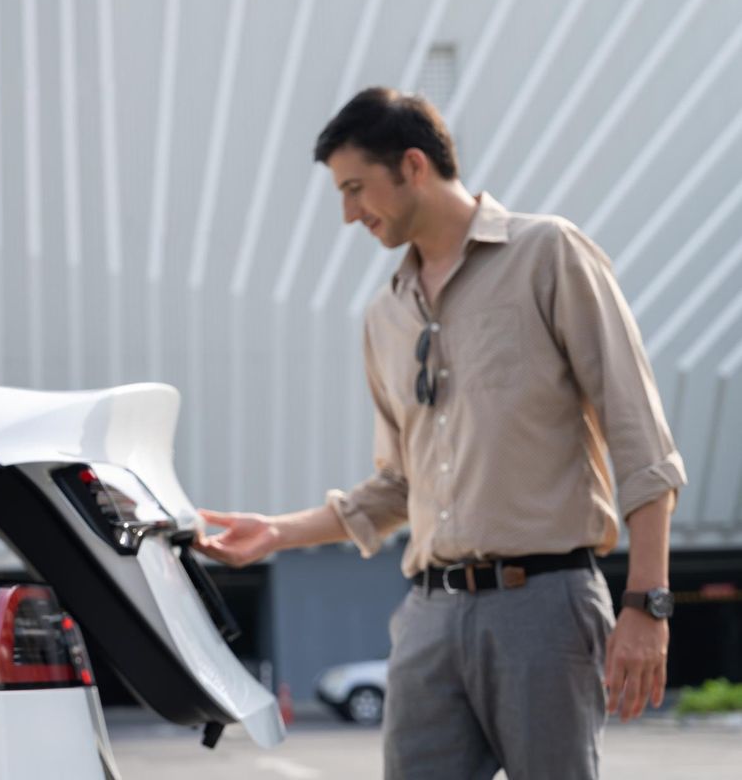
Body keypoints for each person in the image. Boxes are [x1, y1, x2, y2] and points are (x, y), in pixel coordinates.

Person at [194, 87, 686, 779]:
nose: (348, 213)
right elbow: (399, 485)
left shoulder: (550, 254)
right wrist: (278, 532)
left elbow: (641, 438)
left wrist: (648, 602)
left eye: (357, 188)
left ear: (414, 166)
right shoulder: (385, 316)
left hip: (542, 607)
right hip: (429, 615)